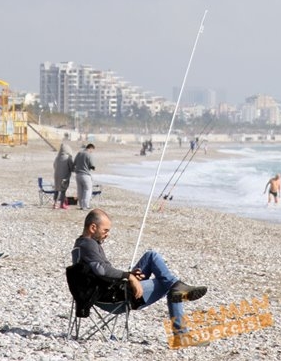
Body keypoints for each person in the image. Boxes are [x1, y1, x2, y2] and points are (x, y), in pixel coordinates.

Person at [72, 209, 207, 335]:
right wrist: (128, 276)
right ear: (93, 227)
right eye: (105, 230)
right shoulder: (89, 245)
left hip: (107, 289)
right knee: (169, 285)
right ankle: (181, 333)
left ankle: (177, 287)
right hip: (114, 297)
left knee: (151, 256)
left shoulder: (81, 244)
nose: (107, 234)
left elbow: (100, 273)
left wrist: (130, 275)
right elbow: (101, 270)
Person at [74, 144, 96, 210]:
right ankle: (85, 206)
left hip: (78, 175)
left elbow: (74, 163)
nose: (92, 152)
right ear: (91, 148)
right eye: (92, 150)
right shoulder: (89, 154)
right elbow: (92, 165)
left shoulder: (79, 153)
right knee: (87, 190)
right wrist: (93, 168)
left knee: (80, 190)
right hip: (85, 175)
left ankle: (81, 205)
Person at [53, 142, 74, 210]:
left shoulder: (57, 157)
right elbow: (71, 167)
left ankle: (55, 203)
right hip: (64, 176)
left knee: (56, 190)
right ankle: (62, 204)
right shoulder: (68, 157)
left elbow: (54, 165)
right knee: (63, 190)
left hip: (56, 176)